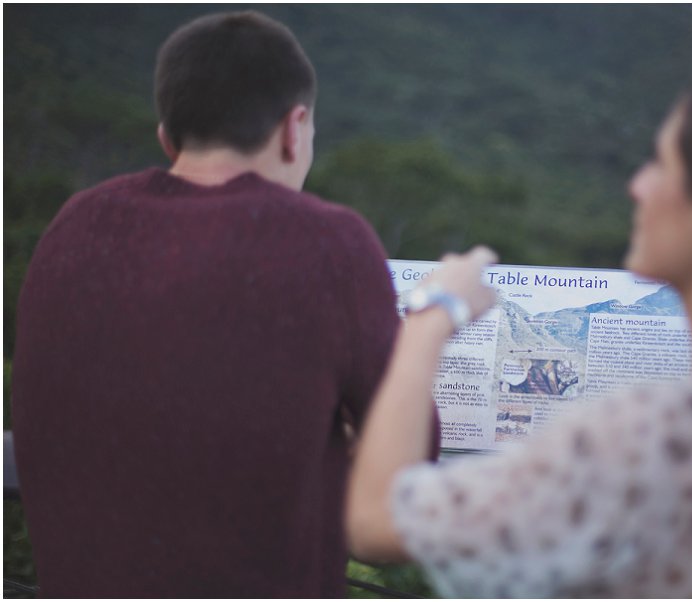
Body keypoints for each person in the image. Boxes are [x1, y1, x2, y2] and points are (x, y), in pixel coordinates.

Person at [346, 50, 692, 597]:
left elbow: (375, 521)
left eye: (661, 163)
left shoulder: (654, 438)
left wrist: (432, 314)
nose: (637, 185)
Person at [11, 11, 436, 597]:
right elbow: (408, 479)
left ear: (168, 135)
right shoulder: (328, 240)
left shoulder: (75, 223)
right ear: (295, 127)